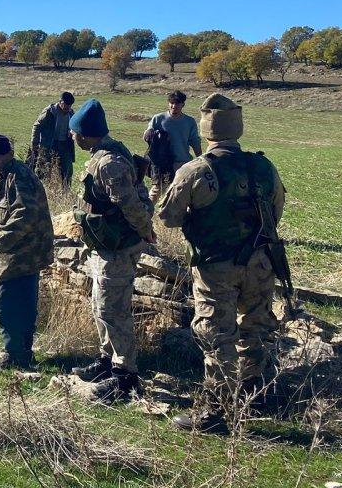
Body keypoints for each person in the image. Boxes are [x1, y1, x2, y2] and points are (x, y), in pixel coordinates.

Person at [159, 94, 286, 434]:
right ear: (237, 127)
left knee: (215, 333)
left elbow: (168, 217)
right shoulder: (263, 166)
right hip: (260, 262)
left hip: (216, 266)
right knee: (255, 325)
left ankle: (216, 410)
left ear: (205, 129)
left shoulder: (196, 170)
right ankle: (253, 392)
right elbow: (276, 211)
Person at [68, 99, 156, 403]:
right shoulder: (104, 154)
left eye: (74, 132)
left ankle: (125, 376)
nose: (72, 137)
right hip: (105, 246)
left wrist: (146, 230)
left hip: (117, 248)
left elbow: (129, 203)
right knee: (100, 305)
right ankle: (106, 361)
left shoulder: (107, 162)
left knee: (113, 310)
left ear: (83, 134)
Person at [0, 134, 53, 370]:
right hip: (23, 253)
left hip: (22, 255)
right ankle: (22, 353)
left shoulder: (19, 177)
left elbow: (25, 215)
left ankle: (14, 354)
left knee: (8, 307)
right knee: (22, 306)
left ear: (9, 153)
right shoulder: (10, 175)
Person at [143, 90, 202, 204]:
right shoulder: (158, 118)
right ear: (168, 103)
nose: (174, 106)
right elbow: (146, 135)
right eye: (172, 103)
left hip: (183, 163)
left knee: (182, 193)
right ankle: (145, 215)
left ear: (183, 104)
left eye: (177, 103)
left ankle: (177, 219)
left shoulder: (189, 122)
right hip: (162, 163)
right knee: (157, 190)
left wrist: (201, 158)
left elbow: (195, 141)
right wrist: (149, 132)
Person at [31, 92, 76, 186]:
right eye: (66, 105)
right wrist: (35, 144)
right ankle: (44, 191)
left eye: (70, 106)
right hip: (49, 144)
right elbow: (36, 126)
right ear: (60, 102)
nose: (68, 108)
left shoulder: (71, 113)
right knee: (44, 171)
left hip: (65, 145)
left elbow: (75, 129)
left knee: (68, 172)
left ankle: (66, 194)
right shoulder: (49, 111)